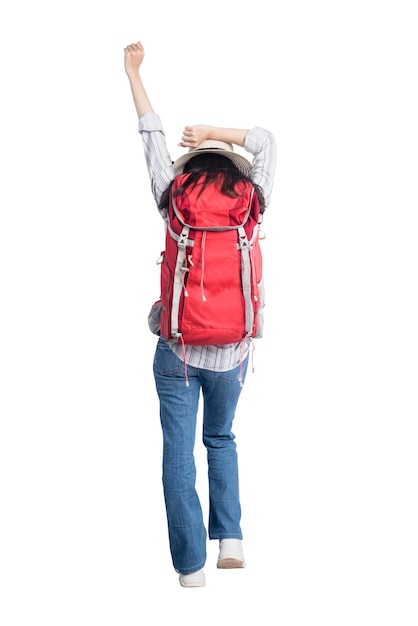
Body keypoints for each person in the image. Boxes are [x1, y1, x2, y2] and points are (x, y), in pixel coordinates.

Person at [124, 40, 277, 588]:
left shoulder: (172, 195)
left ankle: (191, 571)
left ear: (189, 171)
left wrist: (132, 71)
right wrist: (218, 130)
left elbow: (151, 136)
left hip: (177, 352)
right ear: (232, 169)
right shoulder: (252, 200)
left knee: (178, 457)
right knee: (221, 440)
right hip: (234, 351)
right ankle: (231, 539)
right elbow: (266, 142)